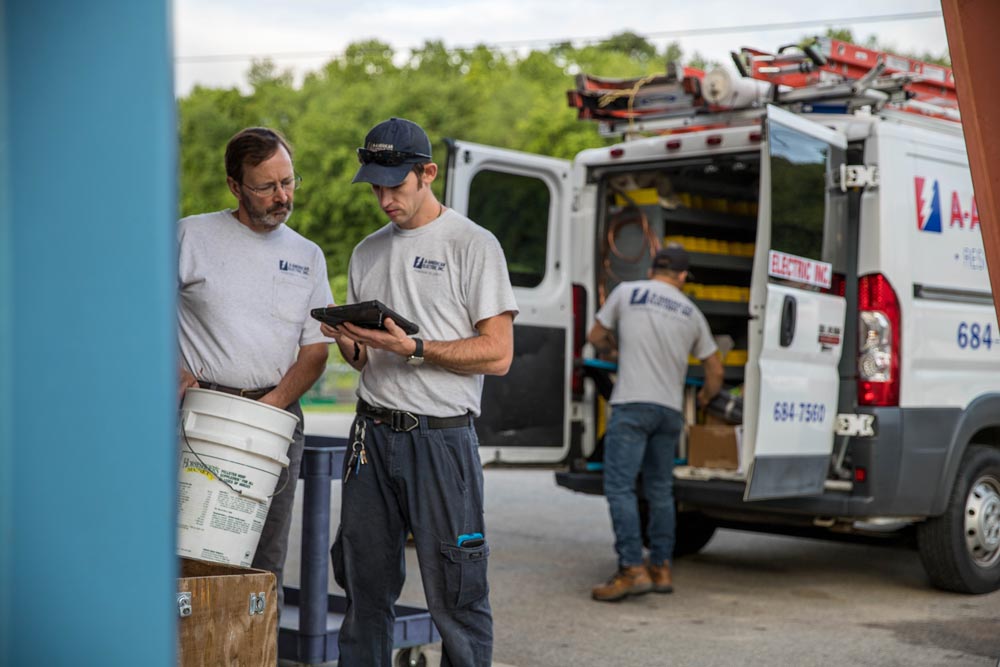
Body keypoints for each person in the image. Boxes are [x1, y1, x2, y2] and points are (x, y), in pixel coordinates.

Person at [319, 117, 517, 667]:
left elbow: (498, 353)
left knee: (458, 595)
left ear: (427, 173)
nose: (385, 199)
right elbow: (364, 362)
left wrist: (417, 348)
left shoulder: (473, 244)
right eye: (376, 187)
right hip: (371, 437)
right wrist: (350, 340)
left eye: (396, 186)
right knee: (363, 587)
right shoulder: (366, 252)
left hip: (441, 443)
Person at [177, 127, 333, 613]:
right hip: (199, 412)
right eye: (266, 186)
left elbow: (315, 350)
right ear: (234, 186)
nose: (282, 196)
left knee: (262, 561)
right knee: (189, 549)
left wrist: (268, 408)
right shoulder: (190, 236)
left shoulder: (307, 256)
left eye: (288, 182)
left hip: (276, 415)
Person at [587, 244, 723, 602]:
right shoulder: (691, 312)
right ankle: (661, 566)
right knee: (661, 490)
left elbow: (595, 337)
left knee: (620, 489)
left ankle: (632, 568)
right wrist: (708, 398)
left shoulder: (627, 292)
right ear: (681, 277)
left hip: (632, 405)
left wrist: (618, 347)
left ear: (652, 271)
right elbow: (715, 368)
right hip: (669, 412)